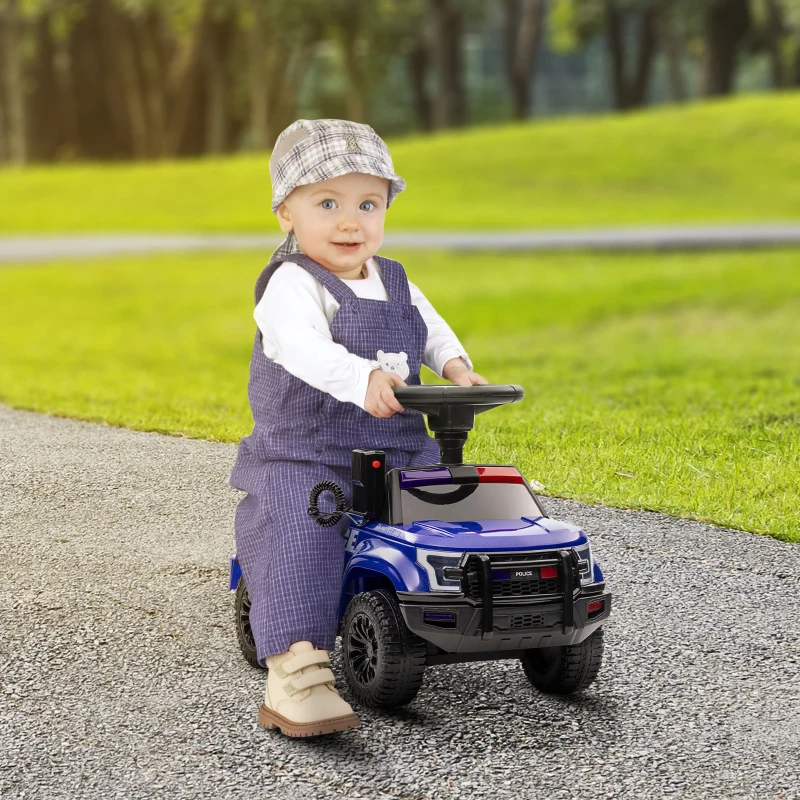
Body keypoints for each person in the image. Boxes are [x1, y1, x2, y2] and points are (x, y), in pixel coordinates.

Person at [229, 118, 486, 738]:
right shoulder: (292, 284)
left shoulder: (393, 278)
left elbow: (430, 328)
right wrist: (361, 377)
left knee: (467, 507)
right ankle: (297, 669)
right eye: (328, 203)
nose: (351, 222)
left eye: (368, 204)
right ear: (285, 212)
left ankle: (480, 606)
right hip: (308, 455)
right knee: (302, 526)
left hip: (400, 449)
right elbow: (300, 348)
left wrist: (456, 368)